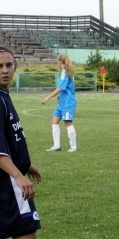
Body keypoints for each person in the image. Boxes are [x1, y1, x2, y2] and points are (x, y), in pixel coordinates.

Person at [0, 46, 42, 239]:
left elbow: (8, 138)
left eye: (9, 65)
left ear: (15, 67)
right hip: (9, 183)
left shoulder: (4, 97)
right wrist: (18, 175)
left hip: (9, 178)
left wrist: (26, 163)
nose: (5, 70)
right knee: (26, 232)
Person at [42, 54, 77, 152]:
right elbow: (63, 88)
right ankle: (56, 146)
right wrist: (58, 97)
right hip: (62, 102)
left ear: (59, 62)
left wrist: (47, 97)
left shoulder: (66, 73)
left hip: (68, 102)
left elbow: (60, 88)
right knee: (54, 120)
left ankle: (73, 147)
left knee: (68, 123)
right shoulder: (63, 72)